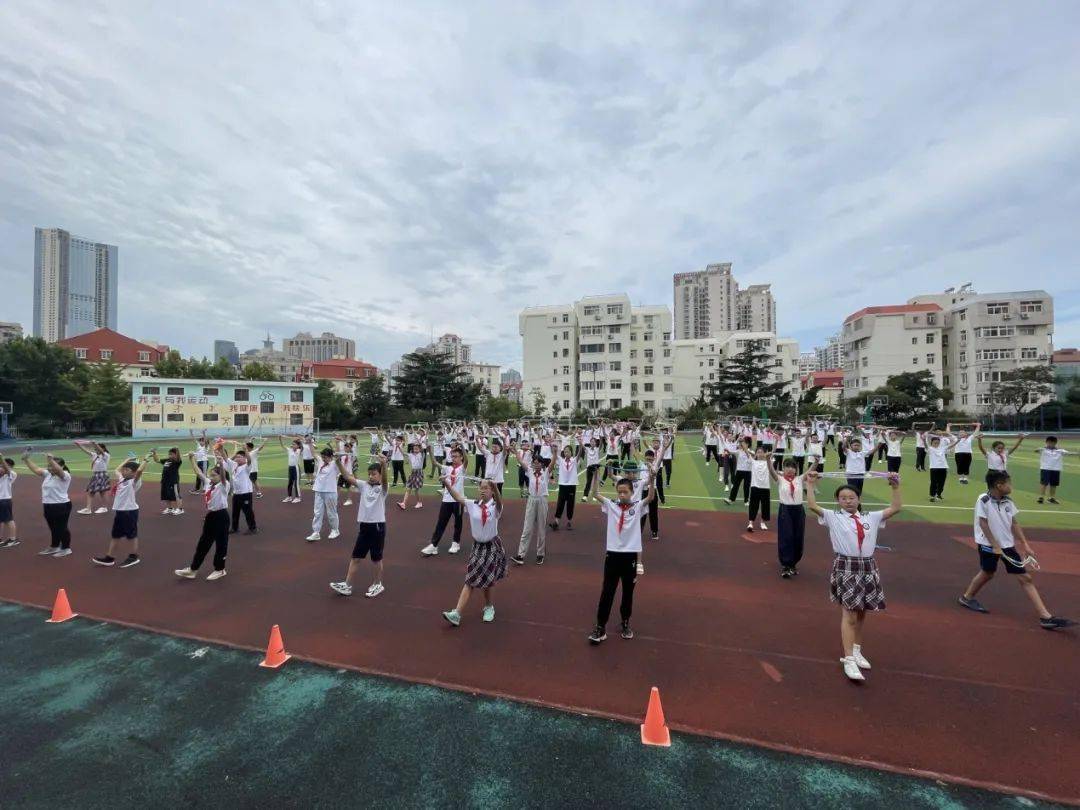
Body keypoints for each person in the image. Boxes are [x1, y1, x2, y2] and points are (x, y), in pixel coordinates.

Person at [805, 470, 902, 683]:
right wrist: (810, 485)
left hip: (868, 566)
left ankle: (857, 650)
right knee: (849, 614)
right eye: (843, 498)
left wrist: (895, 486)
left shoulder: (871, 517)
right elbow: (812, 506)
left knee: (861, 612)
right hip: (846, 566)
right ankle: (848, 658)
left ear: (859, 499)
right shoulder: (833, 517)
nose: (848, 501)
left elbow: (895, 508)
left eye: (851, 498)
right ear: (837, 501)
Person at [958, 471, 1074, 630]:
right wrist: (995, 545)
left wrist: (1025, 545)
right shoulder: (983, 500)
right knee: (988, 573)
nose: (1011, 486)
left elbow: (1015, 523)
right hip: (988, 545)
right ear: (999, 485)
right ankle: (967, 597)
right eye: (1008, 483)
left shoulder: (1008, 501)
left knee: (1025, 578)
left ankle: (1045, 616)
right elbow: (983, 524)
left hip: (1007, 546)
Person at [587, 467, 656, 645]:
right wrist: (595, 475)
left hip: (630, 557)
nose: (622, 495)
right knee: (607, 592)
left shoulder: (637, 506)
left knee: (627, 592)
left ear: (632, 493)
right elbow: (595, 494)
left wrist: (653, 479)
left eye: (625, 492)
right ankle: (600, 627)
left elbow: (650, 498)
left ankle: (625, 622)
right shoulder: (611, 505)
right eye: (619, 492)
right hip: (612, 555)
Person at [440, 477, 508, 627]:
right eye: (481, 488)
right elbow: (458, 497)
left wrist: (496, 488)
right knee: (470, 579)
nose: (482, 490)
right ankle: (457, 613)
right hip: (477, 547)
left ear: (491, 491)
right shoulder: (473, 505)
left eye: (486, 488)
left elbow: (500, 503)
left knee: (487, 581)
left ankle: (489, 607)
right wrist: (446, 483)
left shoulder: (495, 507)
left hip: (491, 546)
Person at [330, 454, 389, 598]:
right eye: (369, 474)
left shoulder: (383, 489)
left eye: (374, 474)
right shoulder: (364, 485)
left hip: (377, 527)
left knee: (376, 559)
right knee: (356, 557)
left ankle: (378, 584)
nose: (371, 476)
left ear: (380, 475)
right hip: (364, 527)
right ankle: (347, 585)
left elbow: (386, 480)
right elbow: (348, 477)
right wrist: (338, 462)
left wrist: (384, 464)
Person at [175, 453, 232, 581]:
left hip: (221, 516)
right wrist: (192, 459)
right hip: (211, 516)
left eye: (214, 475)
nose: (211, 477)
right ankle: (193, 569)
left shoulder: (224, 485)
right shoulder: (208, 484)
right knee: (203, 543)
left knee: (221, 544)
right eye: (210, 475)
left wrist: (221, 464)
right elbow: (198, 471)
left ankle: (220, 569)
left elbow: (223, 477)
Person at [92, 454, 151, 568]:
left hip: (129, 512)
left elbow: (139, 471)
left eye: (127, 470)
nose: (123, 471)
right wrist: (127, 460)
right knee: (115, 535)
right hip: (120, 512)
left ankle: (133, 556)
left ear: (133, 473)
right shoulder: (122, 479)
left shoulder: (134, 482)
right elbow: (116, 470)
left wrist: (145, 460)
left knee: (131, 535)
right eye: (124, 469)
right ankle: (109, 558)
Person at [24, 451, 73, 557]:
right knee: (53, 527)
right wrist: (26, 459)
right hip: (48, 505)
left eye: (52, 466)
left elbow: (58, 470)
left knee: (61, 527)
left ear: (62, 466)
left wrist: (50, 459)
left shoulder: (65, 476)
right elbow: (36, 469)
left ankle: (66, 548)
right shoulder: (48, 474)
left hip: (61, 505)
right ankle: (54, 546)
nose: (50, 468)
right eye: (48, 466)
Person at [421, 447, 466, 556]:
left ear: (461, 457)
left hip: (458, 499)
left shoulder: (463, 469)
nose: (453, 458)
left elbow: (467, 460)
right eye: (452, 456)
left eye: (456, 456)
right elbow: (435, 462)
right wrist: (430, 451)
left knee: (458, 522)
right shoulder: (448, 468)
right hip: (446, 499)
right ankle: (434, 545)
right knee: (441, 523)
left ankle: (456, 543)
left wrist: (462, 447)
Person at [513, 450, 551, 565]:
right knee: (527, 528)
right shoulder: (530, 471)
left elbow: (552, 463)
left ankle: (540, 554)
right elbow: (520, 461)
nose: (536, 464)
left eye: (538, 462)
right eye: (534, 462)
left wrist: (554, 453)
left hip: (542, 500)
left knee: (541, 528)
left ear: (542, 464)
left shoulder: (546, 472)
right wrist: (516, 451)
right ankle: (520, 555)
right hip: (531, 499)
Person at [769, 459, 805, 578]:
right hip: (785, 510)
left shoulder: (799, 479)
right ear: (783, 468)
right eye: (787, 467)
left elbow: (811, 470)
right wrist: (768, 460)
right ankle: (785, 565)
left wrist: (816, 461)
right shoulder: (780, 479)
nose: (790, 469)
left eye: (793, 467)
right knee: (786, 536)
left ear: (796, 469)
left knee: (798, 537)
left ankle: (793, 563)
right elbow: (771, 471)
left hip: (799, 511)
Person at [306, 447, 341, 542]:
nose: (323, 459)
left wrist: (337, 457)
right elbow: (314, 453)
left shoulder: (335, 464)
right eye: (322, 457)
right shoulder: (321, 461)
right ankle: (316, 532)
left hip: (330, 492)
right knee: (317, 513)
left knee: (331, 513)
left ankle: (335, 530)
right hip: (318, 491)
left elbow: (338, 461)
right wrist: (309, 443)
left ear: (330, 457)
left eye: (325, 457)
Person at [74, 440, 111, 515]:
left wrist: (95, 444)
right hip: (96, 475)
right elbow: (86, 450)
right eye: (95, 449)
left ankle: (89, 509)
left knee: (91, 492)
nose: (96, 450)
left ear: (103, 448)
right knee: (101, 492)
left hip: (101, 474)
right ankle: (103, 508)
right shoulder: (94, 455)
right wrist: (79, 445)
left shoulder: (106, 455)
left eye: (97, 448)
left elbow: (101, 451)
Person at [226, 448, 257, 535]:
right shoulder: (234, 466)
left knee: (248, 511)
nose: (237, 458)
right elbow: (227, 459)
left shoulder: (247, 467)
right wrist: (221, 448)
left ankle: (253, 528)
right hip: (236, 493)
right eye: (237, 457)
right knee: (235, 512)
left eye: (240, 457)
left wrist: (245, 450)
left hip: (245, 493)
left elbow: (250, 460)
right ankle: (234, 528)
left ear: (244, 459)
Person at [549, 443, 579, 532]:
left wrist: (580, 444)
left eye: (568, 452)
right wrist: (553, 448)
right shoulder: (561, 460)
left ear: (571, 453)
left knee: (570, 504)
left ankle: (569, 521)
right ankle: (556, 522)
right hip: (562, 485)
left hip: (571, 485)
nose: (566, 453)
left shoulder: (574, 461)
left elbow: (580, 453)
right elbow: (554, 455)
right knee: (560, 503)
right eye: (565, 452)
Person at [925, 428, 957, 501]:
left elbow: (952, 445)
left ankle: (939, 494)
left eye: (937, 442)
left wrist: (958, 441)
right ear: (932, 443)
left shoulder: (943, 448)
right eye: (935, 442)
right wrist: (924, 439)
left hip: (943, 467)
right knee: (934, 482)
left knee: (942, 482)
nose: (936, 444)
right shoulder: (930, 449)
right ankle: (933, 496)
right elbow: (926, 445)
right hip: (934, 468)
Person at [1036, 436, 1069, 504]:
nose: (1050, 444)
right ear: (1046, 442)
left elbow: (1069, 453)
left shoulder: (1060, 451)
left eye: (1052, 443)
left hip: (1056, 469)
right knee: (1044, 483)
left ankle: (1051, 498)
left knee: (1054, 484)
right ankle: (1041, 497)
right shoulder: (1043, 449)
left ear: (1055, 443)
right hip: (1045, 468)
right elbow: (1036, 450)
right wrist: (1044, 449)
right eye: (1049, 443)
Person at [151, 447, 184, 515]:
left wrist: (176, 450)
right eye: (169, 454)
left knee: (176, 495)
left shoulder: (177, 462)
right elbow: (157, 460)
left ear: (176, 454)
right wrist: (154, 453)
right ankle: (170, 508)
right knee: (166, 495)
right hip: (165, 481)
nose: (170, 455)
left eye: (171, 454)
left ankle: (180, 509)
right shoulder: (167, 460)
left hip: (173, 482)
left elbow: (178, 457)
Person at [746, 446, 771, 533]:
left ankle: (763, 522)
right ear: (756, 453)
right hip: (755, 486)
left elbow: (773, 451)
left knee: (765, 506)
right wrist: (742, 442)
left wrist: (776, 441)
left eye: (761, 452)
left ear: (764, 453)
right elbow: (746, 451)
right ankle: (750, 523)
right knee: (753, 506)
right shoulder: (753, 462)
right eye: (758, 452)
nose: (760, 453)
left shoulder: (768, 462)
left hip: (765, 487)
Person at [397, 442, 426, 511]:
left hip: (419, 473)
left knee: (416, 490)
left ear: (419, 449)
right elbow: (403, 454)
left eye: (417, 448)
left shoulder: (422, 454)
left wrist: (419, 443)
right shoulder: (411, 455)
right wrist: (398, 447)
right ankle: (403, 503)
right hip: (413, 472)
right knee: (408, 488)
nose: (415, 449)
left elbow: (423, 449)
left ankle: (419, 502)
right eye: (414, 448)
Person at [0, 456, 18, 549]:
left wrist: (1, 458)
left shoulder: (11, 474)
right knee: (2, 520)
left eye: (2, 465)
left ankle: (13, 539)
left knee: (8, 520)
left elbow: (5, 470)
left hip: (4, 500)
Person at [279, 436, 303, 503]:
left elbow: (302, 445)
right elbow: (282, 446)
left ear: (298, 446)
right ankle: (289, 497)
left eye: (294, 444)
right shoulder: (289, 450)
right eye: (292, 444)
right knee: (290, 483)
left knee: (296, 483)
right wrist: (280, 439)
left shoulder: (299, 450)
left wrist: (298, 439)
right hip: (290, 468)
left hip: (296, 468)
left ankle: (298, 497)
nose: (293, 445)